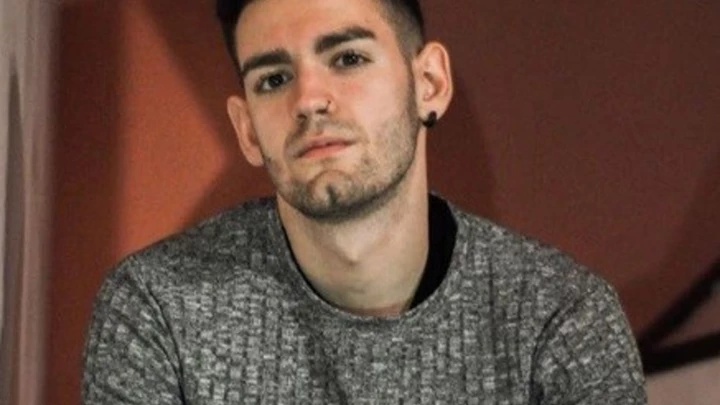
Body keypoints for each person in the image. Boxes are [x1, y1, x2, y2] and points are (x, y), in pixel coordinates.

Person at [82, 0, 647, 403]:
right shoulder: (159, 310)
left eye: (348, 58)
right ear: (248, 129)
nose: (309, 99)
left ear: (429, 83)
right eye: (274, 79)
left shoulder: (559, 318)